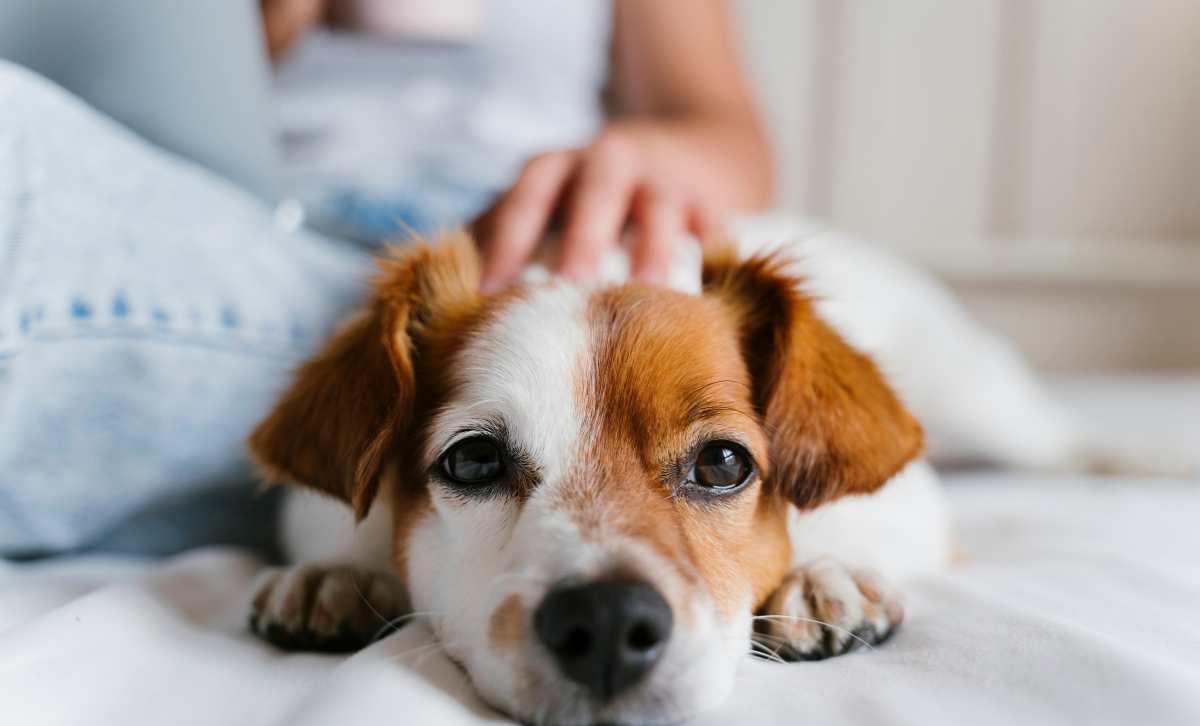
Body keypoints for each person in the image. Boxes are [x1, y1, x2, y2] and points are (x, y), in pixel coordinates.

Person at [0, 0, 771, 556]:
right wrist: (261, 25)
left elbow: (731, 137)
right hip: (244, 236)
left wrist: (634, 159)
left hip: (506, 264)